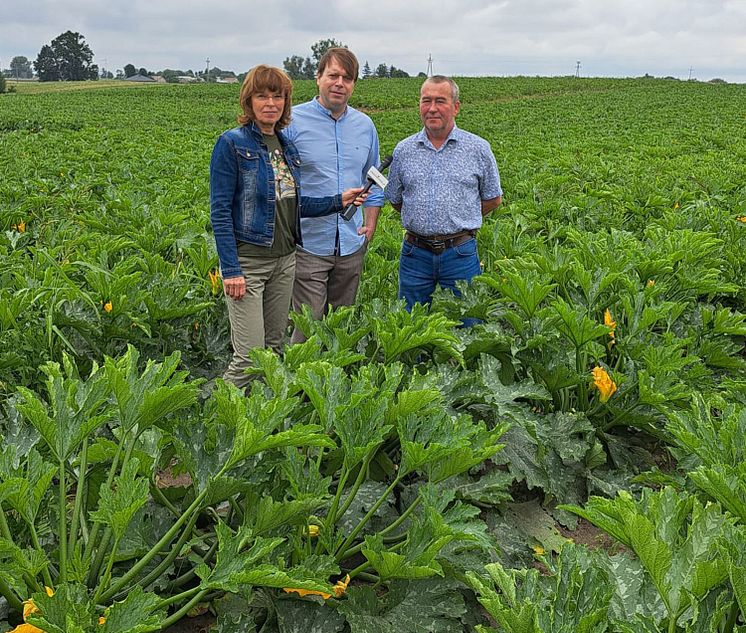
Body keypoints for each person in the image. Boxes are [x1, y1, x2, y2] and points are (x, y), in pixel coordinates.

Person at [210, 65, 365, 388]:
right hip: (249, 264)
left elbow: (294, 205)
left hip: (285, 260)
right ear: (248, 101)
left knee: (273, 349)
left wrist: (339, 200)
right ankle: (216, 423)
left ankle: (260, 419)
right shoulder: (232, 144)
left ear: (285, 102)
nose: (270, 103)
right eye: (262, 96)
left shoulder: (284, 145)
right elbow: (220, 212)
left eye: (277, 96)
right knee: (249, 359)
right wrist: (231, 270)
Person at [285, 47, 383, 343]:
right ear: (318, 78)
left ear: (354, 84)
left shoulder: (365, 126)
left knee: (342, 327)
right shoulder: (291, 123)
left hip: (352, 243)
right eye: (333, 75)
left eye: (347, 78)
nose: (340, 83)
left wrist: (371, 225)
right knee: (308, 327)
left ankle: (334, 385)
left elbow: (374, 179)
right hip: (309, 245)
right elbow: (282, 189)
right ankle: (299, 387)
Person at [385, 75, 502, 312]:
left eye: (440, 101)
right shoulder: (404, 150)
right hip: (414, 253)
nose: (432, 109)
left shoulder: (478, 148)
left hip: (460, 252)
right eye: (426, 101)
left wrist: (460, 216)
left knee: (469, 326)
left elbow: (493, 198)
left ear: (456, 107)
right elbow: (396, 199)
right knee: (410, 327)